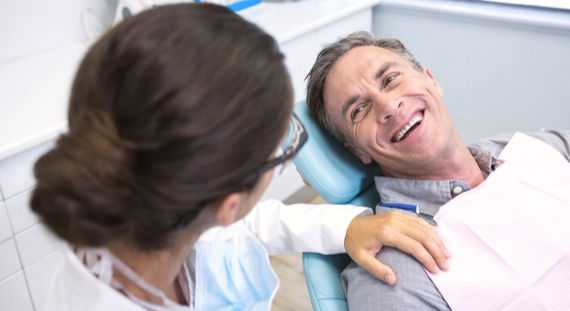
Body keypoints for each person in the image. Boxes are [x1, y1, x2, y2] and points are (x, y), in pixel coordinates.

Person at [30, 5, 451, 311]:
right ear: (226, 204)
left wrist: (349, 226)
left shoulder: (157, 215)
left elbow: (255, 225)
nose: (288, 160)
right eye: (282, 147)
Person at [305, 31, 570, 310]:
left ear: (431, 80)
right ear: (357, 150)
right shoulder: (393, 280)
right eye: (359, 110)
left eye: (390, 79)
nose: (388, 107)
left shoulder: (526, 147)